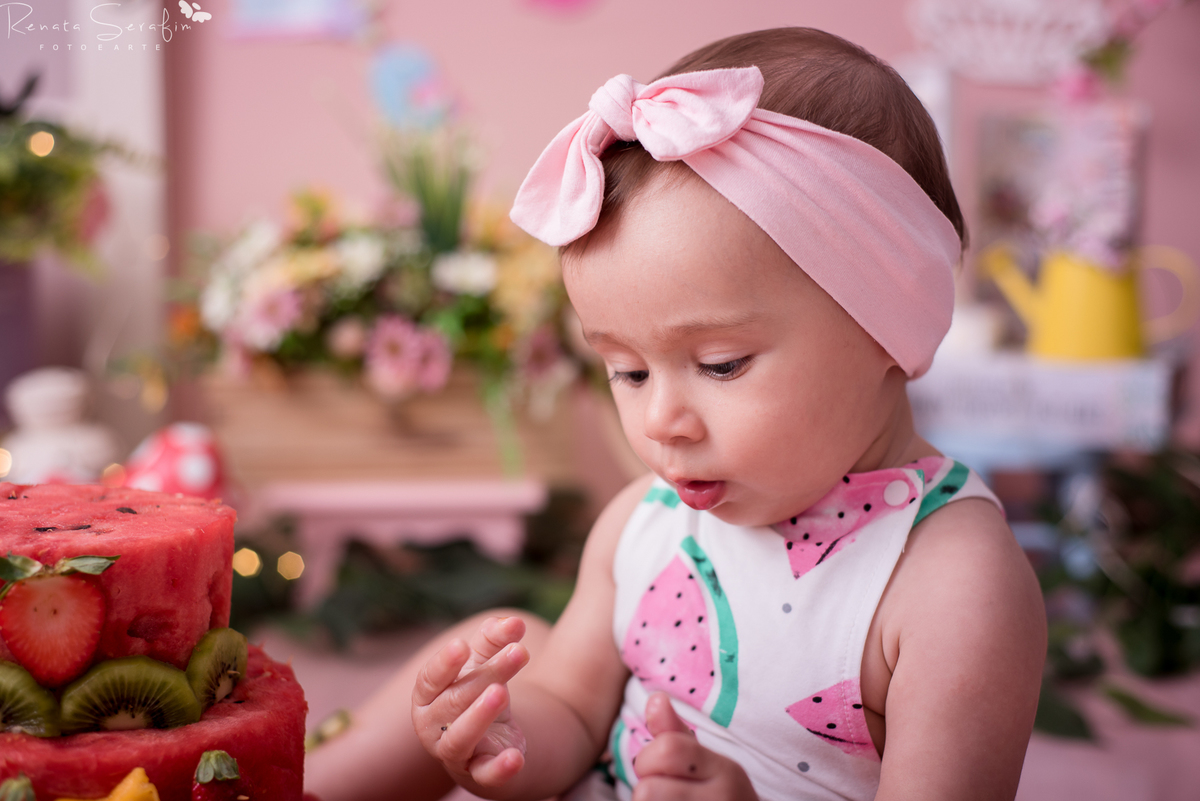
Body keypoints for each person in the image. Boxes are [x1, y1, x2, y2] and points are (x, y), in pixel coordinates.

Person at [305, 27, 1046, 801]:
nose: (662, 420)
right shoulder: (646, 521)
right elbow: (570, 708)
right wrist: (504, 738)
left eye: (721, 363)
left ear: (888, 327)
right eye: (625, 369)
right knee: (486, 655)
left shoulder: (954, 585)